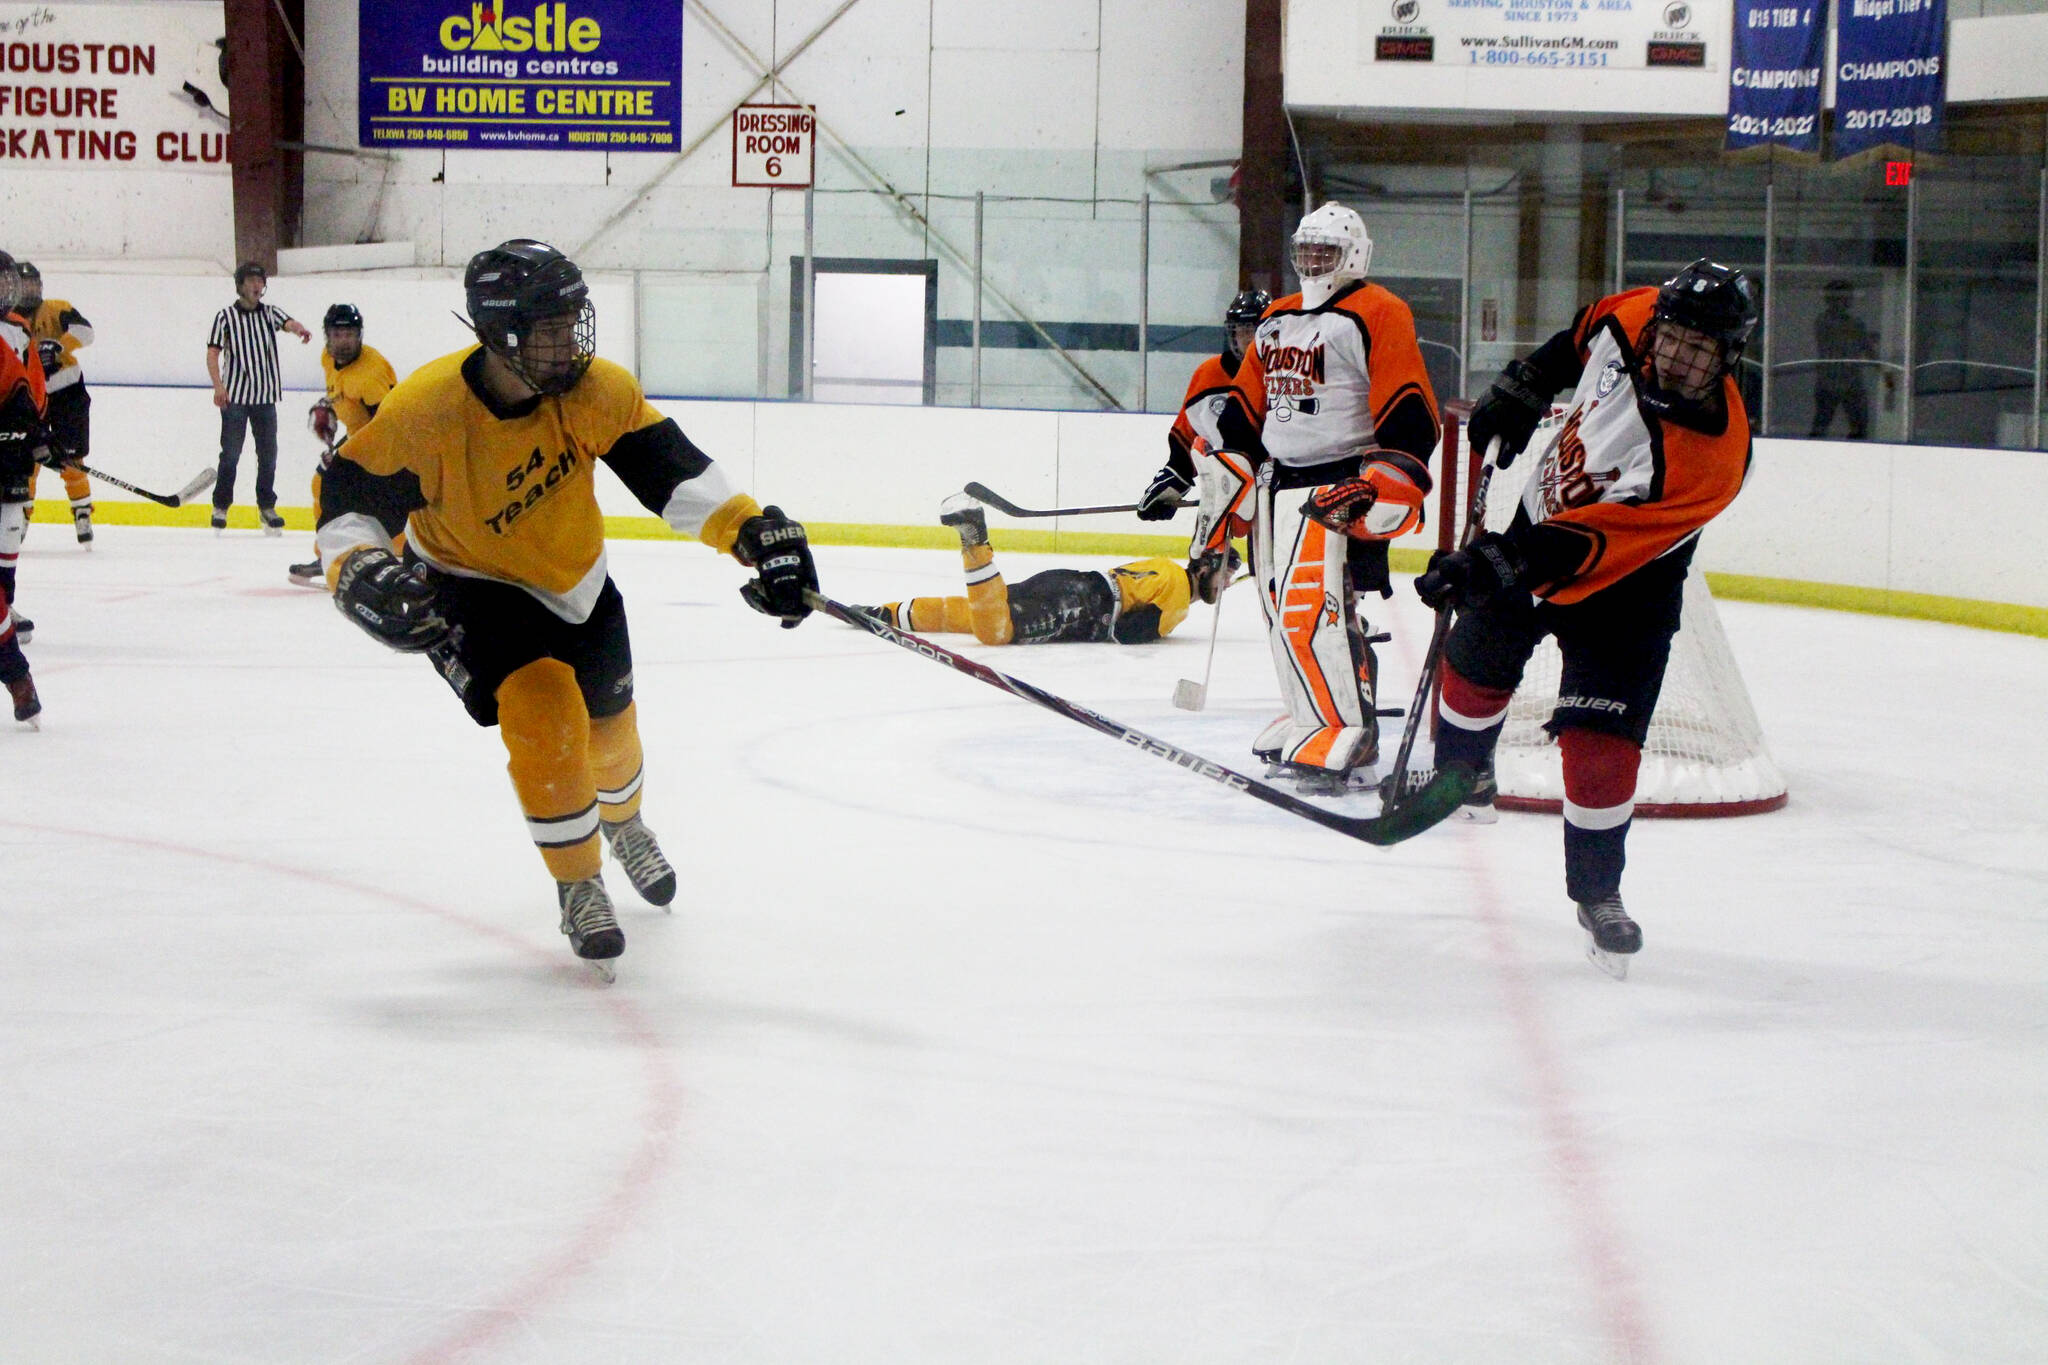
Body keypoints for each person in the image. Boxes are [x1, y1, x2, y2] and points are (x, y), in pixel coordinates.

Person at [316, 238, 820, 980]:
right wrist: (357, 567)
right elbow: (347, 503)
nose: (568, 339)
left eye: (573, 319)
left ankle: (625, 823)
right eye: (546, 326)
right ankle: (579, 881)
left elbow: (669, 471)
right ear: (496, 334)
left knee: (612, 737)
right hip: (472, 585)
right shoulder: (426, 412)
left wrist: (751, 530)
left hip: (578, 582)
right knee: (545, 715)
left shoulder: (592, 391)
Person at [1429, 258, 1759, 972]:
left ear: (1728, 358)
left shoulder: (1714, 458)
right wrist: (1527, 384)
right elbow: (1578, 337)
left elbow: (1591, 542)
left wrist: (1494, 562)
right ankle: (1460, 774)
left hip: (1627, 590)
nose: (1676, 356)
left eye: (1700, 350)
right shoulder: (1638, 311)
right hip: (1543, 514)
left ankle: (1597, 890)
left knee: (1601, 749)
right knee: (1470, 668)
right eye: (1673, 338)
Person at [1156, 204, 1440, 789]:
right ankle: (1309, 713)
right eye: (1305, 250)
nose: (1313, 262)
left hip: (1339, 485)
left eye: (1325, 251)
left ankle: (1346, 728)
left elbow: (1409, 405)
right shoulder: (1279, 317)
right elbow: (1243, 413)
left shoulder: (1378, 311)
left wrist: (1392, 477)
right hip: (1277, 486)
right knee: (1278, 615)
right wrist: (1222, 487)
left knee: (1318, 613)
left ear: (1354, 255)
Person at [855, 493, 1227, 644]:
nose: (1225, 583)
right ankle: (975, 542)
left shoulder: (1163, 565)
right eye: (1224, 572)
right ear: (1204, 568)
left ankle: (885, 613)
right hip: (1082, 605)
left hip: (1069, 582)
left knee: (977, 613)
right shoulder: (1179, 597)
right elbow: (1129, 632)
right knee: (996, 631)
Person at [1134, 287, 1272, 522]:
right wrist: (1170, 487)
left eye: (1255, 330)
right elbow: (1185, 445)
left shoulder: (1286, 374)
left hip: (1280, 489)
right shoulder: (1208, 376)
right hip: (1232, 493)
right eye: (1242, 330)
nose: (1248, 338)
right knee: (1207, 555)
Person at [289, 303, 398, 583]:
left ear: (359, 335)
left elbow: (386, 425)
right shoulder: (328, 358)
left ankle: (340, 557)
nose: (344, 342)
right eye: (338, 335)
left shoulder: (371, 374)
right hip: (357, 437)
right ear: (327, 336)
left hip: (377, 444)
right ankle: (331, 555)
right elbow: (342, 393)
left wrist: (350, 456)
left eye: (349, 335)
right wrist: (328, 408)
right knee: (323, 485)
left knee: (330, 486)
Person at [207, 260, 311, 533]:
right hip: (235, 399)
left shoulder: (269, 313)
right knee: (231, 453)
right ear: (240, 285)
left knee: (268, 455)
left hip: (265, 398)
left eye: (260, 281)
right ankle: (221, 505)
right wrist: (219, 387)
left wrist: (299, 329)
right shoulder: (225, 317)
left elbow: (287, 322)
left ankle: (266, 506)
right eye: (251, 281)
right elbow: (213, 354)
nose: (257, 286)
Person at [15, 262, 96, 546]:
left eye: (35, 283)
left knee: (72, 459)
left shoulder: (56, 308)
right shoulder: (9, 320)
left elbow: (86, 332)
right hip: (30, 399)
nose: (31, 289)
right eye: (25, 284)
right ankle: (21, 515)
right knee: (28, 461)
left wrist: (59, 345)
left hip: (66, 393)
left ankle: (82, 511)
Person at [0, 249, 48, 723]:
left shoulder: (13, 333)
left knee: (9, 533)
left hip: (4, 458)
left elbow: (21, 387)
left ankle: (16, 677)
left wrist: (30, 428)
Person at [1809, 278, 1874, 440]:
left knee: (1859, 425)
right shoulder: (1823, 321)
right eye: (1844, 297)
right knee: (1821, 424)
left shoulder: (1856, 324)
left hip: (1851, 382)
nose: (1848, 300)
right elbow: (1837, 340)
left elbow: (1866, 348)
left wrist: (1886, 371)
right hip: (1829, 381)